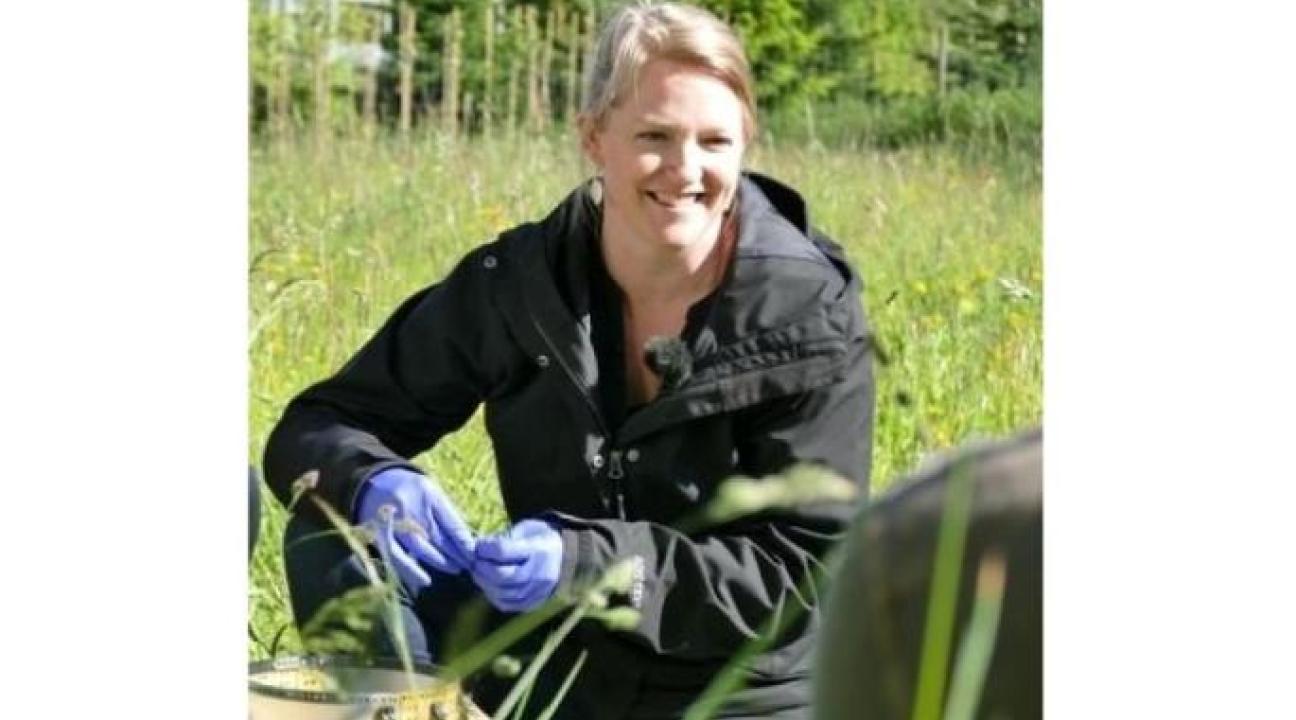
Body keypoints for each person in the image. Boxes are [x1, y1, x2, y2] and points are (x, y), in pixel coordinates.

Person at [263, 2, 875, 718]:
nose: (687, 169)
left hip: (737, 691)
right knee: (330, 530)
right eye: (655, 136)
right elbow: (316, 426)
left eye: (715, 141)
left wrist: (592, 564)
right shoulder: (519, 282)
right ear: (594, 138)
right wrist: (373, 479)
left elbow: (807, 574)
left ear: (746, 143)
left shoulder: (808, 313)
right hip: (555, 657)